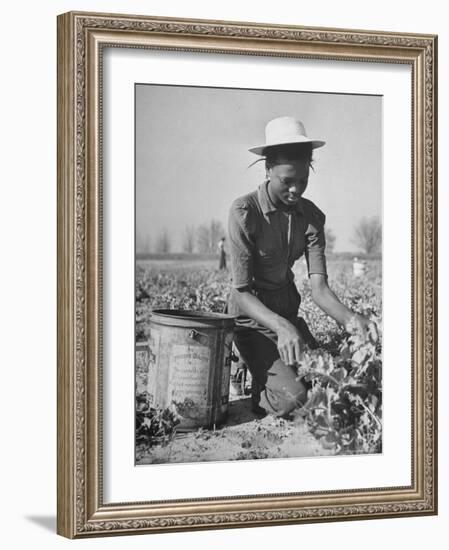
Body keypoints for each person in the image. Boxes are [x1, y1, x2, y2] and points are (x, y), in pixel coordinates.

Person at [227, 116, 377, 417]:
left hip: (288, 317)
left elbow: (319, 289)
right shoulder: (245, 212)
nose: (296, 190)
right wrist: (281, 327)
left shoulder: (311, 218)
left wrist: (352, 321)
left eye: (303, 181)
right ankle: (249, 370)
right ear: (268, 169)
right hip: (250, 321)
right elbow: (241, 292)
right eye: (287, 181)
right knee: (295, 398)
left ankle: (270, 366)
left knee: (328, 378)